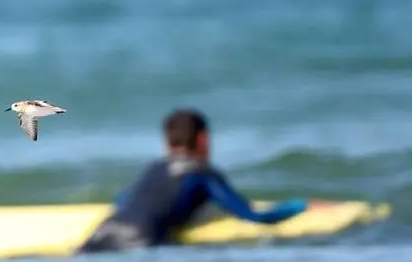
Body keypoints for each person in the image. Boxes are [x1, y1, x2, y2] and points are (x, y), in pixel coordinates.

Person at [78, 108, 308, 254]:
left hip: (100, 234)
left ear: (168, 142)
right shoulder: (202, 173)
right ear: (202, 139)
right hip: (139, 245)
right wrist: (300, 206)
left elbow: (123, 200)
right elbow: (254, 216)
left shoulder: (154, 167)